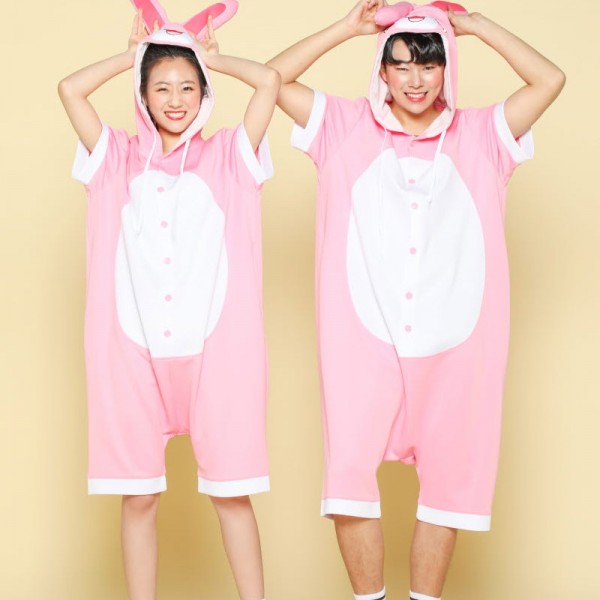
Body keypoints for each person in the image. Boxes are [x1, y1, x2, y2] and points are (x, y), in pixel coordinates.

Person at [267, 1, 564, 599]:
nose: (415, 80)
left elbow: (550, 79)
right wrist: (347, 28)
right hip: (361, 342)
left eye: (428, 65)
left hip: (455, 345)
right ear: (381, 70)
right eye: (400, 65)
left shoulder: (484, 135)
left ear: (446, 68)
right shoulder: (343, 127)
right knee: (349, 482)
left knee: (448, 488)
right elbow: (272, 80)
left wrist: (473, 25)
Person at [58, 1, 280, 597]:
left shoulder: (232, 155)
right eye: (161, 87)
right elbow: (70, 90)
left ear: (204, 93)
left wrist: (213, 58)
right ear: (142, 94)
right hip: (131, 355)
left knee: (231, 493)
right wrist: (133, 54)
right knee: (138, 497)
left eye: (188, 86)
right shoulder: (114, 158)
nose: (175, 99)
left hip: (219, 355)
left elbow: (269, 82)